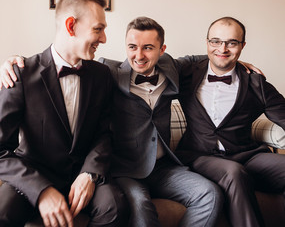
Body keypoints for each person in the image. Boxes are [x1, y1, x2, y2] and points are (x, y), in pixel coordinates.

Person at [0, 16, 224, 226]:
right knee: (138, 205)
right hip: (124, 168)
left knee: (210, 194)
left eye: (148, 48)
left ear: (162, 50)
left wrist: (236, 62)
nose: (139, 55)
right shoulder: (107, 72)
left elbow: (204, 58)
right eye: (132, 47)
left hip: (164, 167)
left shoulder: (172, 68)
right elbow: (58, 63)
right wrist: (13, 62)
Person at [0, 0, 127, 227]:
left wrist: (90, 173)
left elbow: (105, 133)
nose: (104, 39)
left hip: (83, 173)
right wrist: (40, 190)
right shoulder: (19, 74)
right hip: (32, 174)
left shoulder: (102, 75)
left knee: (116, 207)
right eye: (98, 29)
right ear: (71, 26)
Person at [175, 16, 285, 227]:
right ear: (206, 42)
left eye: (231, 43)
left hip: (247, 156)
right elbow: (156, 61)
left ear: (242, 46)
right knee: (234, 173)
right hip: (200, 156)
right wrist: (221, 55)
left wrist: (228, 58)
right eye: (215, 41)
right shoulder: (187, 73)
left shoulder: (255, 82)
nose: (222, 48)